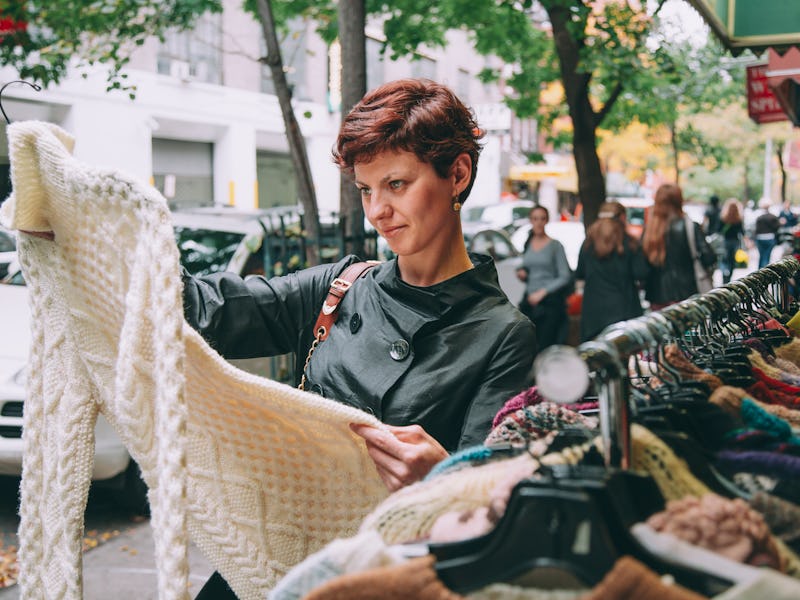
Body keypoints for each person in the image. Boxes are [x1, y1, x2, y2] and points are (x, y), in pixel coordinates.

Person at [182, 78, 538, 599]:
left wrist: (445, 475)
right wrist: (100, 241)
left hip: (376, 575)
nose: (376, 212)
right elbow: (212, 310)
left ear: (457, 173)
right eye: (367, 190)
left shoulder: (504, 334)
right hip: (272, 552)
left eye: (397, 184)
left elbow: (492, 503)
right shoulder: (341, 286)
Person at [575, 201, 648, 342]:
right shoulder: (630, 243)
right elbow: (641, 273)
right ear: (621, 217)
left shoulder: (588, 242)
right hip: (624, 310)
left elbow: (580, 273)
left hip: (593, 312)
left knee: (595, 358)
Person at [642, 183, 716, 310]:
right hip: (686, 293)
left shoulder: (649, 230)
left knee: (664, 330)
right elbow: (709, 258)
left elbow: (642, 266)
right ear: (679, 201)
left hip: (657, 296)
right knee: (687, 330)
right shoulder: (690, 226)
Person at [516, 205, 572, 350]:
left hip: (549, 304)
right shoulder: (528, 243)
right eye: (535, 219)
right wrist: (523, 273)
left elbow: (564, 276)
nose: (539, 222)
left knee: (545, 346)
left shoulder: (555, 246)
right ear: (530, 221)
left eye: (542, 218)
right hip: (529, 302)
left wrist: (542, 292)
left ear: (547, 221)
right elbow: (528, 267)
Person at [718, 198, 745, 284]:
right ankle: (729, 277)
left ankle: (724, 276)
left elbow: (718, 230)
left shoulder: (723, 218)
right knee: (732, 261)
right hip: (735, 242)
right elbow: (742, 232)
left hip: (725, 241)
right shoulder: (738, 219)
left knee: (724, 260)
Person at [754, 199, 781, 269]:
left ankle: (759, 271)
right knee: (767, 256)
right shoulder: (773, 217)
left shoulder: (759, 218)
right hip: (770, 238)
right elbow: (777, 227)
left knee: (761, 255)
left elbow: (756, 229)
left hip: (760, 238)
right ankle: (764, 271)